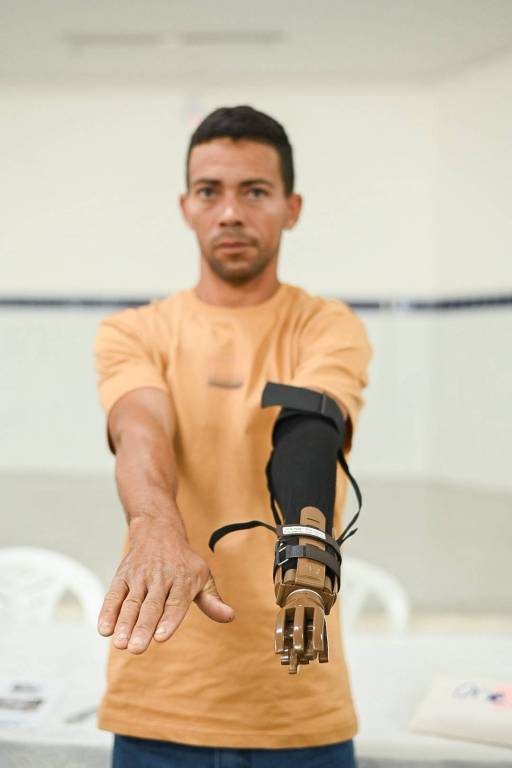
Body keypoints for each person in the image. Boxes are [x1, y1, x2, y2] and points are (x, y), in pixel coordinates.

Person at [94, 105, 372, 768]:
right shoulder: (135, 332)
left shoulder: (325, 325)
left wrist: (305, 550)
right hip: (158, 703)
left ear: (291, 208)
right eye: (209, 191)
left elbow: (309, 427)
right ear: (186, 207)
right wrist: (154, 524)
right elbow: (140, 427)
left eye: (254, 191)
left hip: (299, 712)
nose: (230, 213)